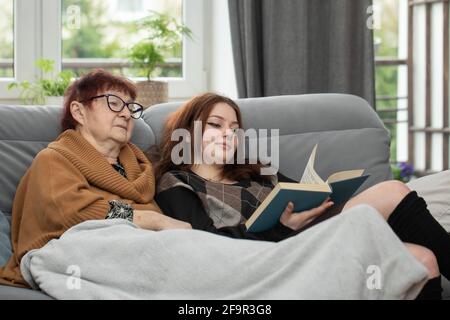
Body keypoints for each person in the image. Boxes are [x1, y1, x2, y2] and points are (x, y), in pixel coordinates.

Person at [155, 92, 450, 299]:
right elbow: (204, 247)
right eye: (215, 125)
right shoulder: (177, 183)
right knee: (392, 191)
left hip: (313, 237)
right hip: (272, 261)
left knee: (423, 260)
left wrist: (325, 197)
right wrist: (281, 227)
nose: (228, 134)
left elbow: (305, 194)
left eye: (234, 128)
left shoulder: (258, 172)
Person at [0, 69, 191, 288]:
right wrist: (154, 220)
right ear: (79, 112)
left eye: (130, 107)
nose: (126, 114)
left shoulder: (140, 170)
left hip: (140, 256)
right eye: (114, 103)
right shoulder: (53, 159)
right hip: (73, 258)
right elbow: (75, 212)